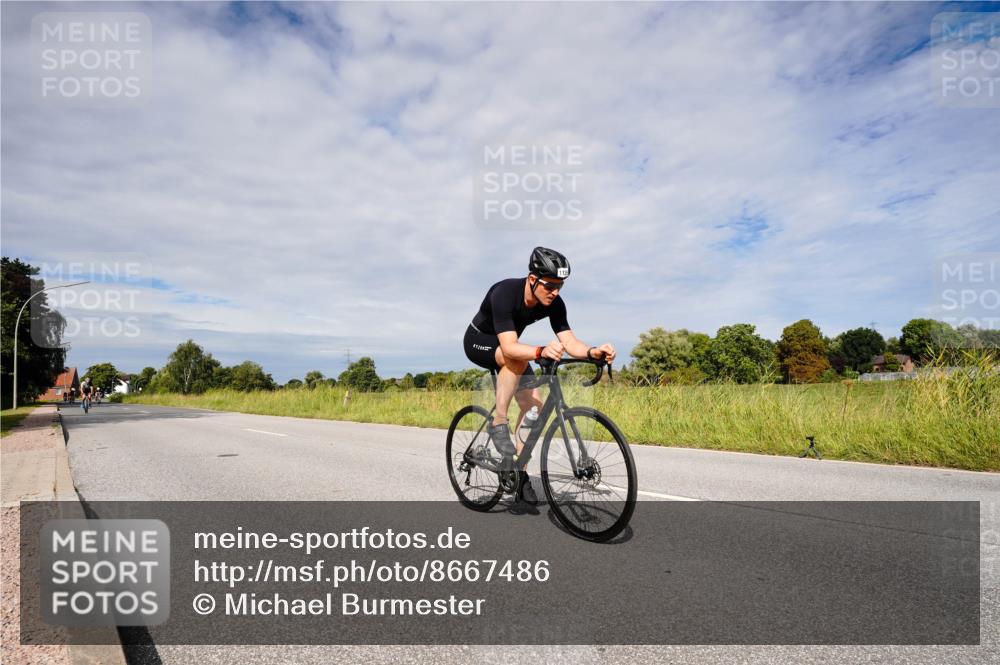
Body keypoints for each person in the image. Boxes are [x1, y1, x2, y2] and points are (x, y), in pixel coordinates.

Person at [463, 247, 616, 505]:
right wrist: (540, 351)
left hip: (510, 346)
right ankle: (498, 421)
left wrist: (592, 352)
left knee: (533, 407)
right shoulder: (504, 293)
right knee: (513, 357)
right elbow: (510, 348)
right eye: (549, 285)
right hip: (480, 341)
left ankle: (518, 472)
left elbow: (569, 341)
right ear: (532, 279)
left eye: (560, 286)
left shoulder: (554, 303)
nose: (554, 291)